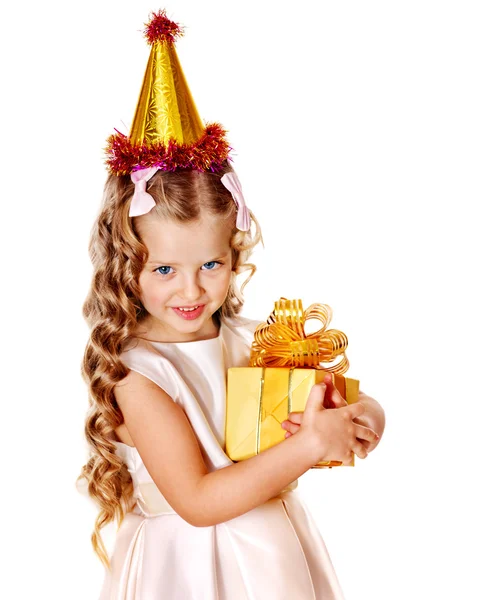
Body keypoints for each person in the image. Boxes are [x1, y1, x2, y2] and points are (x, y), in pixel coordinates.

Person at [78, 10, 385, 599]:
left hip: (272, 557)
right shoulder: (139, 377)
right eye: (164, 269)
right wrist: (309, 445)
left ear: (233, 252)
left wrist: (362, 418)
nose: (190, 291)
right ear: (126, 263)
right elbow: (197, 500)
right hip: (186, 569)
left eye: (210, 266)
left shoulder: (253, 341)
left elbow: (344, 398)